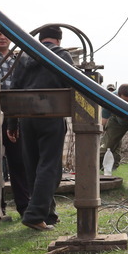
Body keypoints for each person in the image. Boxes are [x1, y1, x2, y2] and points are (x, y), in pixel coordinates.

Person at [9, 25, 75, 231]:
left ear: (41, 39)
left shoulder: (24, 56)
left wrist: (12, 123)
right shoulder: (62, 55)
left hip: (26, 117)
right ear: (58, 40)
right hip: (51, 115)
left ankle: (48, 214)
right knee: (50, 167)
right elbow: (74, 83)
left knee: (33, 165)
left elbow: (14, 88)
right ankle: (35, 214)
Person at [0, 25, 30, 219]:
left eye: (5, 34)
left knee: (18, 163)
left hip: (14, 118)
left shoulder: (18, 61)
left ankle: (24, 207)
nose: (2, 37)